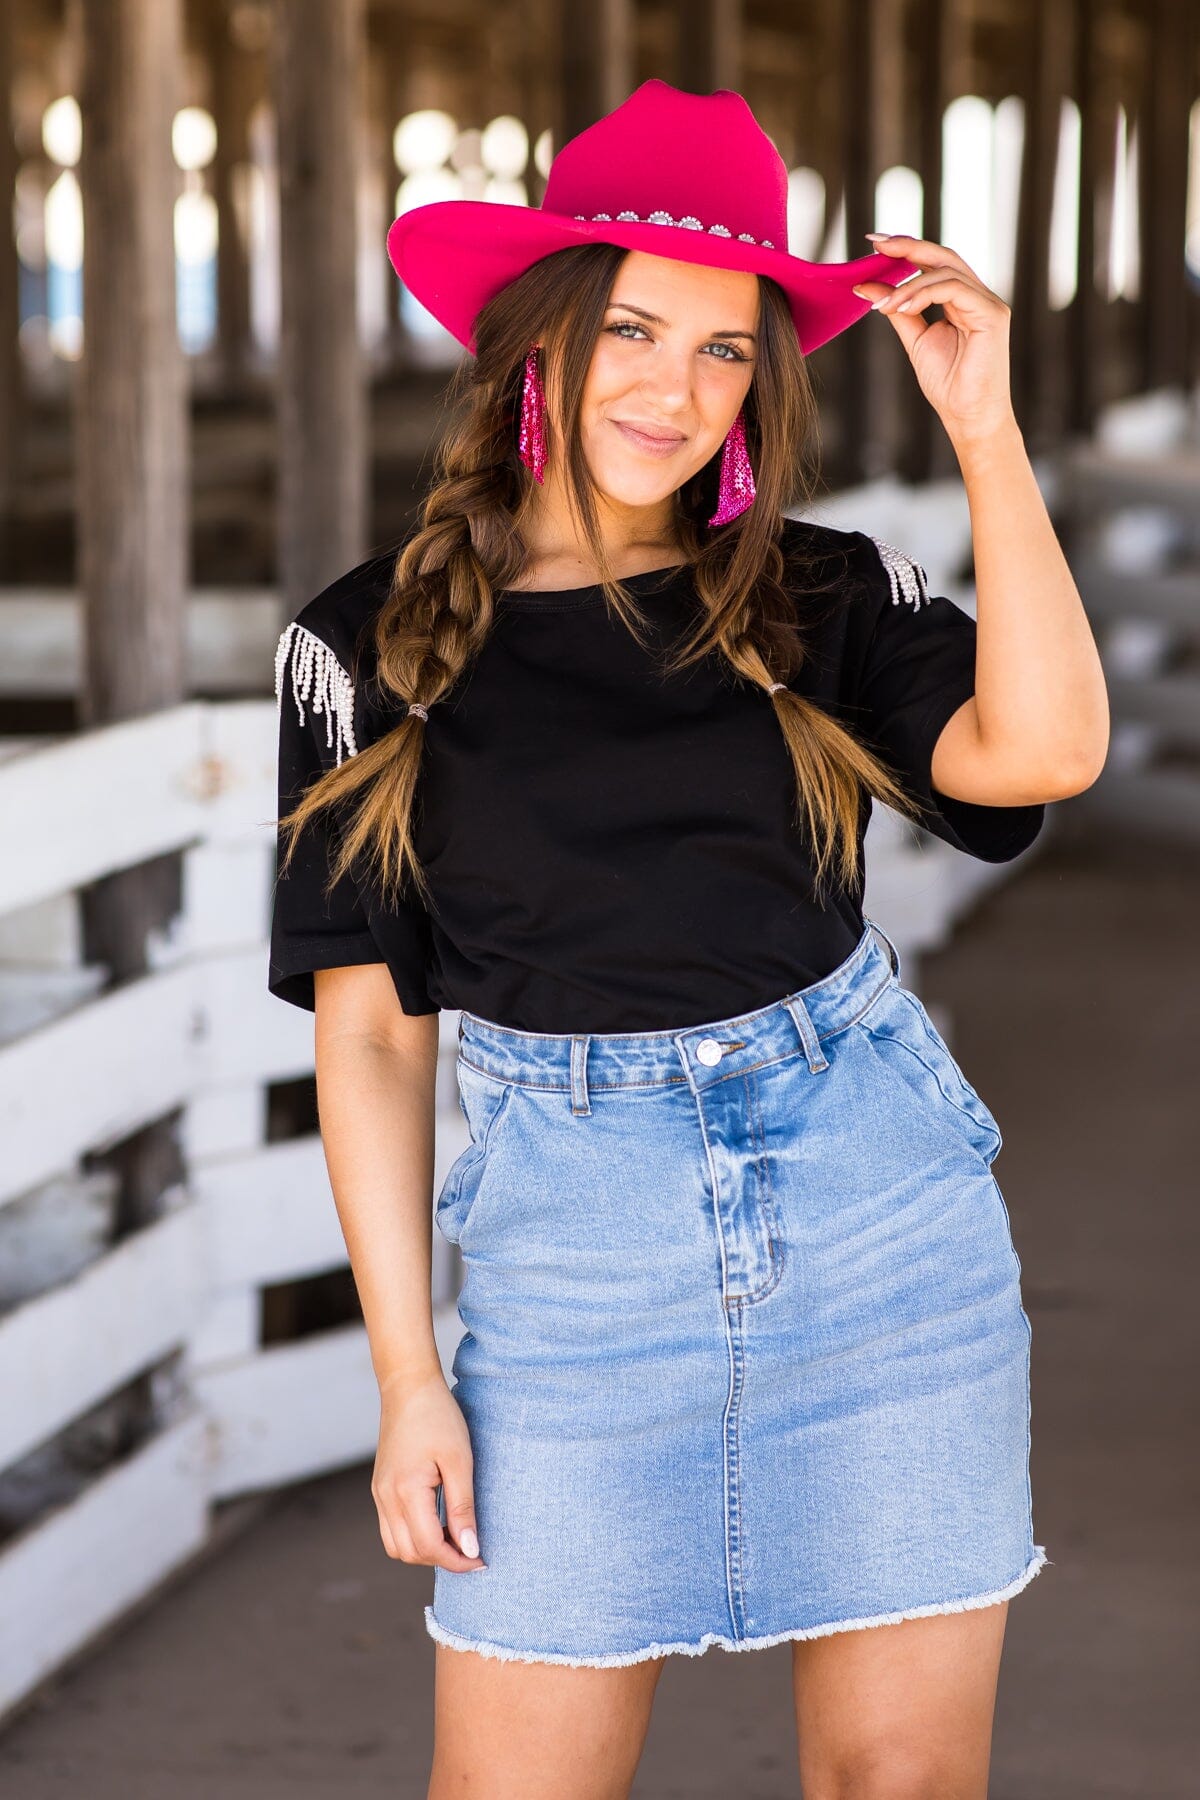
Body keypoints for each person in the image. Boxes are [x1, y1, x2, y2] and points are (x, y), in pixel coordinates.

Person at [269, 79, 1108, 1800]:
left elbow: (1044, 753)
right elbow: (369, 1035)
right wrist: (409, 1379)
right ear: (540, 338)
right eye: (633, 331)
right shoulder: (366, 648)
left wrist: (985, 429)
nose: (672, 388)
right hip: (569, 1278)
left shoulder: (813, 592)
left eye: (724, 350)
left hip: (882, 1241)